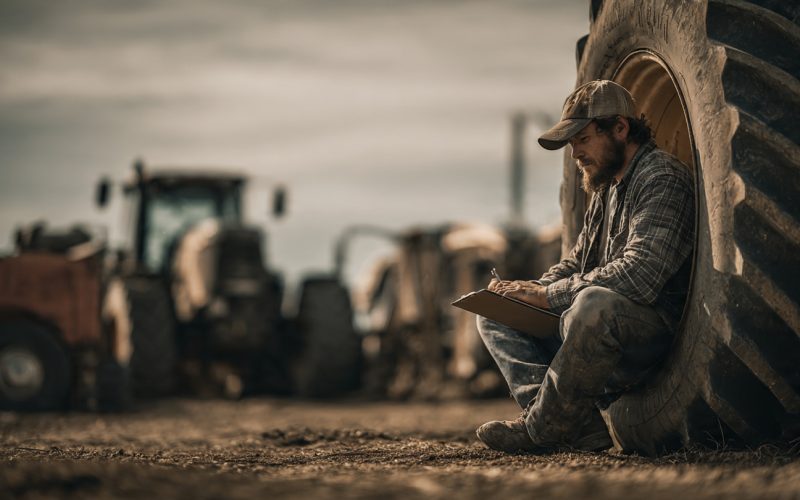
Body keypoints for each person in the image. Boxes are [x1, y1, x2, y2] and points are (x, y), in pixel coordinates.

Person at [475, 80, 694, 453]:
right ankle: (575, 426)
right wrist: (524, 291)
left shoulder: (662, 179)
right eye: (572, 143)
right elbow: (578, 261)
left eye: (583, 139)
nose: (575, 152)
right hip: (595, 326)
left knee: (593, 304)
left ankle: (544, 429)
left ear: (620, 129)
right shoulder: (606, 189)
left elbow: (640, 273)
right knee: (495, 313)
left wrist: (548, 296)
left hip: (653, 332)